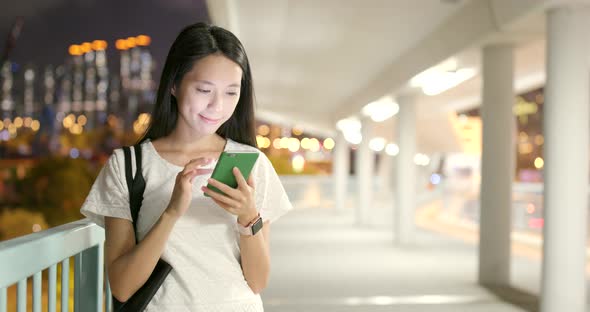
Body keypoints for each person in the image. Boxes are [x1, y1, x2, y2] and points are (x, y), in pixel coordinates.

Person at [80, 22, 293, 311]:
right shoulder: (129, 166)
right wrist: (171, 212)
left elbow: (257, 282)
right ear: (174, 84)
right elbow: (122, 286)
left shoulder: (250, 163)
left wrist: (248, 216)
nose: (217, 106)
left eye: (231, 92)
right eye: (204, 90)